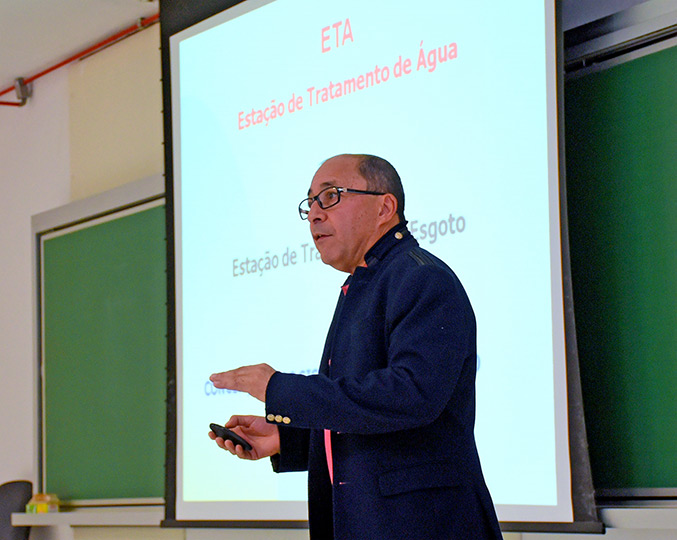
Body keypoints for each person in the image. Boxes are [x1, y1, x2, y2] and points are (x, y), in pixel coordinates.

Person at [209, 154, 502, 539]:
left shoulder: (422, 279)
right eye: (310, 202)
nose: (314, 214)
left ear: (385, 206)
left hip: (423, 525)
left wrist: (281, 389)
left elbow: (412, 395)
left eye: (330, 196)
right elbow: (367, 413)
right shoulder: (360, 286)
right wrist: (288, 438)